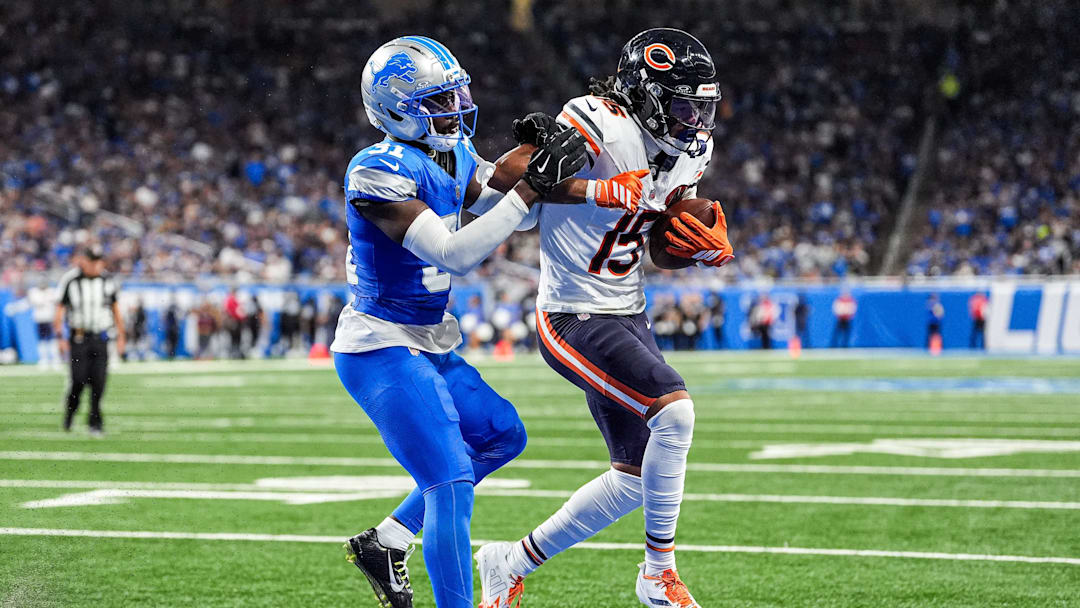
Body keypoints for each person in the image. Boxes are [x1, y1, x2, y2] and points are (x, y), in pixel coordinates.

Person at [333, 36, 644, 608]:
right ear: (396, 106)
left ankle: (389, 540)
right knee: (449, 483)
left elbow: (506, 206)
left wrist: (581, 181)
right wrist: (528, 186)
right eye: (439, 99)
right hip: (380, 344)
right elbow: (455, 252)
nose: (457, 107)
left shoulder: (448, 154)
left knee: (502, 434)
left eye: (457, 94)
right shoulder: (376, 169)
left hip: (426, 341)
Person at [474, 28, 731, 608]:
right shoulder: (601, 122)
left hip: (627, 310)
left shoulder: (690, 150)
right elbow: (508, 178)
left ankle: (506, 563)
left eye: (703, 106)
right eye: (685, 104)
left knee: (635, 478)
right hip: (571, 314)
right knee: (676, 413)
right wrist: (598, 189)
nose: (696, 120)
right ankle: (657, 575)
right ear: (646, 95)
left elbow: (658, 245)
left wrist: (694, 246)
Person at [55, 246, 126, 435]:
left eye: (98, 260)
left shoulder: (108, 281)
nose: (95, 265)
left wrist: (121, 336)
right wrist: (60, 336)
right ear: (83, 260)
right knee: (78, 380)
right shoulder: (70, 280)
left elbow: (115, 309)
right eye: (91, 260)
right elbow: (60, 309)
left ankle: (95, 421)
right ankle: (70, 413)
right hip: (78, 337)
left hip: (101, 336)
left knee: (99, 381)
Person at [28, 278, 60, 370]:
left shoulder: (52, 291)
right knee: (41, 341)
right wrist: (46, 299)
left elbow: (55, 301)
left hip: (50, 319)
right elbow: (37, 302)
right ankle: (44, 359)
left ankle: (55, 359)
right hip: (40, 320)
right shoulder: (34, 291)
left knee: (52, 340)